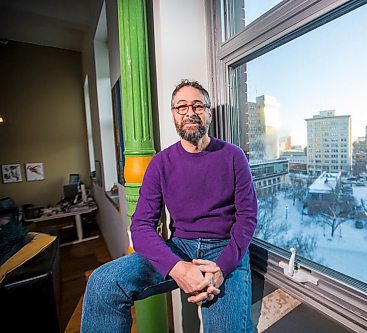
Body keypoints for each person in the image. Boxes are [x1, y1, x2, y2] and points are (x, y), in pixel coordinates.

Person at [81, 79, 258, 333]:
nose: (190, 112)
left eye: (198, 105)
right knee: (102, 283)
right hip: (180, 247)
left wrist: (222, 267)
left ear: (208, 112)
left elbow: (247, 218)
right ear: (174, 115)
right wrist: (178, 268)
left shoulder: (233, 156)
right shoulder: (160, 163)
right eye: (181, 107)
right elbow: (141, 227)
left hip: (224, 249)